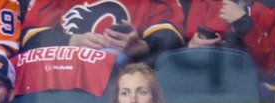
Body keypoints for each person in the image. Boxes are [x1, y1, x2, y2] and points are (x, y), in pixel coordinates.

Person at [20, 0, 184, 63]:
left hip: (128, 84)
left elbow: (171, 36)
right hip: (65, 84)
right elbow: (30, 38)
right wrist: (71, 41)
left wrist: (143, 47)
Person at [183, 0, 275, 79]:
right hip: (205, 80)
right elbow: (184, 56)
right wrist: (192, 48)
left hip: (253, 88)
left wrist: (247, 28)